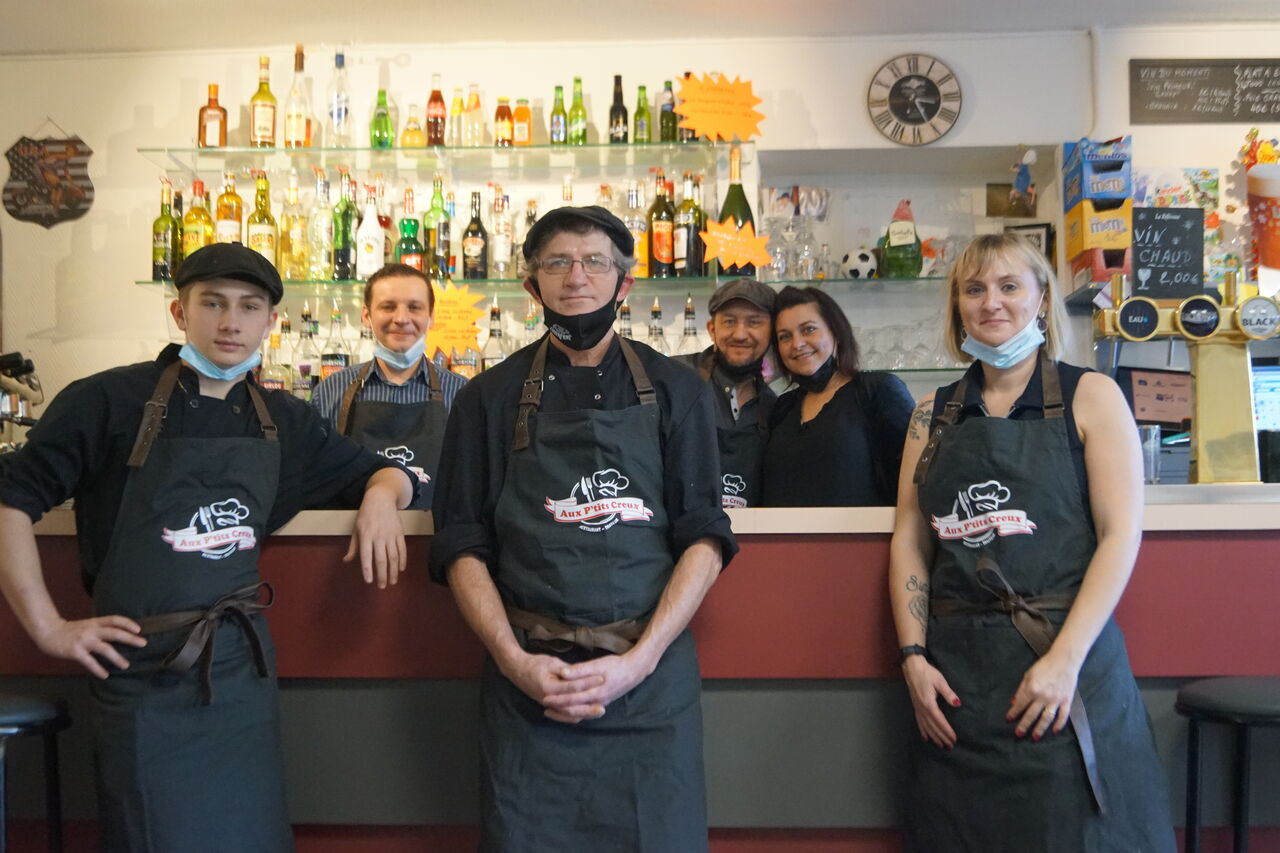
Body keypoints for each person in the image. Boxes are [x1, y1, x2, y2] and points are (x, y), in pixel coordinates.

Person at [0, 243, 416, 853]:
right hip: (140, 670)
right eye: (213, 303)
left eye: (250, 307)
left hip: (238, 670)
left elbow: (388, 473)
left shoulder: (283, 418)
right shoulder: (107, 401)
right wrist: (47, 627)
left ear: (271, 322)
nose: (231, 322)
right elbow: (12, 498)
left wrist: (382, 497)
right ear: (179, 312)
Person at [430, 205, 736, 852]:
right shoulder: (486, 398)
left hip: (650, 684)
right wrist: (516, 663)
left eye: (595, 261)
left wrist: (639, 660)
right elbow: (461, 544)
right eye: (558, 262)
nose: (577, 277)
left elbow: (704, 538)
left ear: (625, 284)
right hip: (529, 688)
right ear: (531, 285)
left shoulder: (680, 390)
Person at [888, 234, 1175, 851]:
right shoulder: (928, 416)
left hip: (1065, 672)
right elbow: (911, 541)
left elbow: (1121, 535)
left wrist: (1064, 661)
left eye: (1009, 286)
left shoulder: (1091, 396)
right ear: (957, 307)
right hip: (957, 684)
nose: (992, 302)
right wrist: (913, 658)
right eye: (975, 289)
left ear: (1041, 300)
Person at [312, 263, 467, 510]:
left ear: (431, 317)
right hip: (351, 540)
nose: (401, 319)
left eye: (414, 307)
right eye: (388, 307)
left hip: (434, 541)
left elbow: (472, 485)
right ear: (366, 315)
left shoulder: (462, 393)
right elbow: (315, 481)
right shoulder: (332, 391)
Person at [761, 285, 914, 506]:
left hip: (863, 539)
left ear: (836, 332)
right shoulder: (782, 408)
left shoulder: (877, 391)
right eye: (785, 337)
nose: (797, 344)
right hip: (786, 540)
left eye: (809, 329)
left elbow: (917, 480)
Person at [672, 278, 776, 508]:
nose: (740, 334)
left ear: (773, 331)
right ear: (712, 329)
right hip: (685, 536)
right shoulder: (675, 378)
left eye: (754, 322)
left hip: (755, 535)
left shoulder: (777, 405)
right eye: (729, 321)